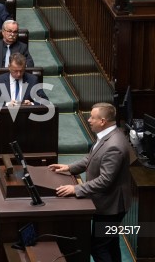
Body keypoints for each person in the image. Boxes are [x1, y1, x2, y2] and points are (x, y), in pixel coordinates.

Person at [48, 102, 131, 262]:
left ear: (103, 121)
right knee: (110, 243)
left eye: (92, 117)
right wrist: (69, 167)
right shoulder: (106, 135)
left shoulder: (114, 146)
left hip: (111, 206)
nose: (88, 120)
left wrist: (76, 189)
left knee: (99, 247)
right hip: (109, 203)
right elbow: (92, 158)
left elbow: (104, 180)